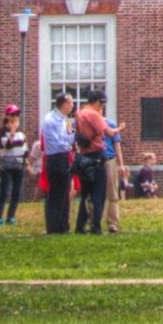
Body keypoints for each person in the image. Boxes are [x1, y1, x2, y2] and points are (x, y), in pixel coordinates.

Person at [39, 91, 75, 235]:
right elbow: (56, 142)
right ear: (65, 103)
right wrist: (68, 145)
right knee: (55, 194)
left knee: (65, 194)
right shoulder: (50, 120)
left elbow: (71, 137)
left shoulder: (66, 120)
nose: (73, 106)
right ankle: (53, 227)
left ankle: (63, 226)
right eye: (71, 103)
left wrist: (69, 144)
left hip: (65, 158)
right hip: (55, 158)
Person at [73, 89, 108, 234]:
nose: (103, 106)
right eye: (102, 103)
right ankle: (96, 227)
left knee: (85, 194)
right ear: (97, 102)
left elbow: (72, 132)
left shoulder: (79, 114)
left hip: (83, 156)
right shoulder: (94, 114)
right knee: (99, 194)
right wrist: (118, 129)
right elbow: (107, 131)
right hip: (97, 156)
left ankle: (80, 226)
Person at [0, 106, 27, 225]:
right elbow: (7, 145)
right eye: (12, 115)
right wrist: (12, 132)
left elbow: (24, 147)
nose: (15, 117)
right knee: (4, 191)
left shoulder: (21, 131)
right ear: (7, 116)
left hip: (19, 164)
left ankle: (11, 216)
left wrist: (27, 162)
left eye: (16, 115)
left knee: (16, 192)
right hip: (7, 165)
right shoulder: (2, 131)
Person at [101, 107, 125, 232]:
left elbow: (117, 144)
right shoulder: (81, 121)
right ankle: (93, 221)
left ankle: (113, 222)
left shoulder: (110, 123)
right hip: (92, 160)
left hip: (109, 159)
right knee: (91, 194)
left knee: (112, 192)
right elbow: (70, 134)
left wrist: (121, 164)